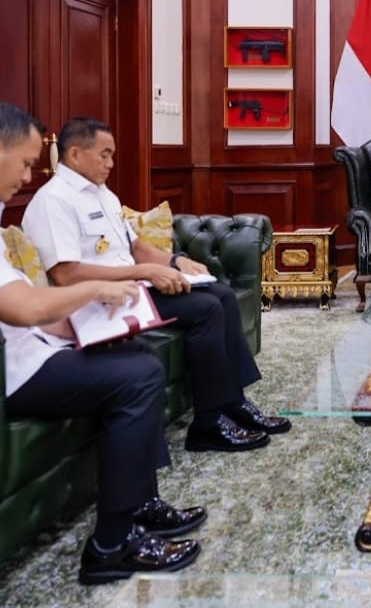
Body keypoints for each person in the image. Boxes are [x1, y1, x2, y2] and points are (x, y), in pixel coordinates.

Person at [0, 101, 203, 584]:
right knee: (138, 377)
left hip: (27, 350)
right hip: (7, 373)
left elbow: (17, 307)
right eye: (25, 163)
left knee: (132, 352)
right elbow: (25, 307)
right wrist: (93, 292)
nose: (28, 176)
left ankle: (142, 502)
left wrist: (78, 327)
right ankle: (112, 545)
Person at [21, 117, 291, 454]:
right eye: (104, 155)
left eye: (112, 155)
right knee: (205, 309)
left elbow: (135, 248)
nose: (111, 163)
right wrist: (146, 272)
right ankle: (208, 425)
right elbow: (67, 275)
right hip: (96, 303)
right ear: (75, 154)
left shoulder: (103, 194)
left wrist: (176, 261)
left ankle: (233, 403)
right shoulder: (54, 201)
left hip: (130, 290)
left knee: (221, 294)